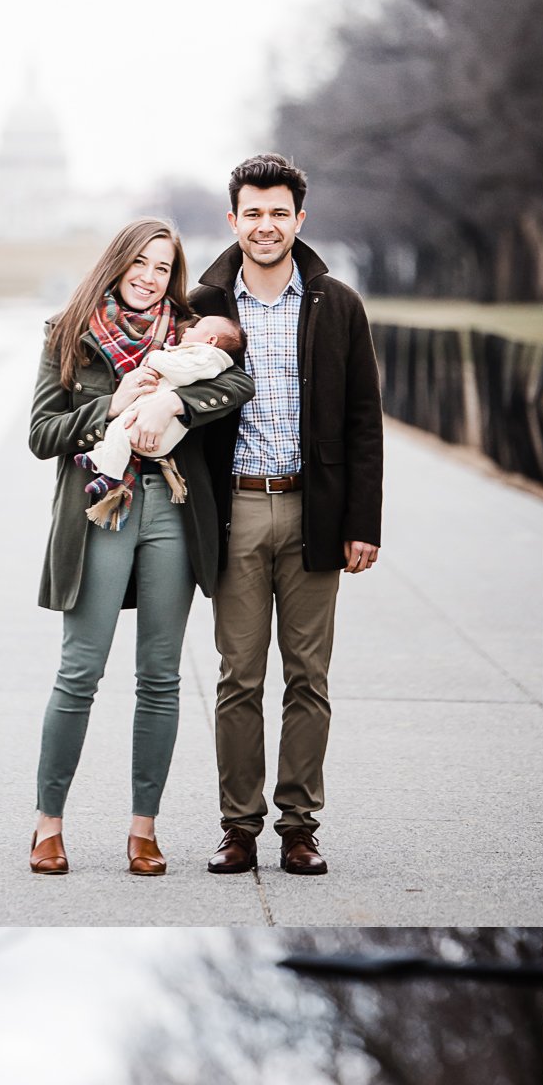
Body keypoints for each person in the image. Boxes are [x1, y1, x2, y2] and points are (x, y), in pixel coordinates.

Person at [28, 220, 255, 880]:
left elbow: (237, 385)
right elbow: (43, 433)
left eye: (164, 266)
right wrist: (113, 405)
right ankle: (48, 826)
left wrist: (172, 408)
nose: (151, 276)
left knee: (160, 676)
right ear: (120, 262)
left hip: (173, 509)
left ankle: (144, 830)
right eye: (143, 263)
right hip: (101, 507)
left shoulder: (193, 329)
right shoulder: (67, 332)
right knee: (80, 671)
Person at [192, 155, 385, 881]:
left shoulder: (336, 304)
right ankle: (237, 829)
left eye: (279, 213)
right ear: (234, 220)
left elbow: (365, 420)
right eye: (253, 212)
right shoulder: (203, 305)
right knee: (238, 677)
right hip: (237, 508)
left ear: (298, 220)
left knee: (309, 678)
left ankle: (299, 827)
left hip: (315, 512)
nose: (266, 225)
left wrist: (362, 521)